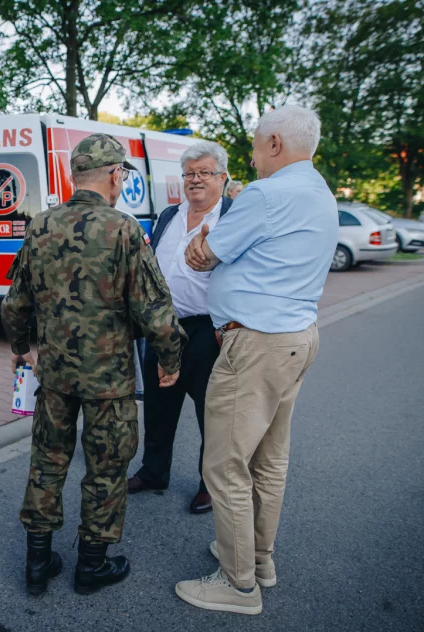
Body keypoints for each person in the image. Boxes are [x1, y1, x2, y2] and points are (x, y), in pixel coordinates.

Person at [2, 133, 186, 596]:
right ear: (114, 175)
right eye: (121, 174)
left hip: (55, 376)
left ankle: (37, 563)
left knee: (47, 462)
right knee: (106, 468)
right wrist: (170, 359)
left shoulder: (40, 225)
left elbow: (14, 303)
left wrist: (21, 347)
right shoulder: (123, 229)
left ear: (73, 175)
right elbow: (154, 310)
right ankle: (92, 565)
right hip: (109, 381)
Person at [175, 106, 337, 615]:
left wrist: (208, 241)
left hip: (255, 345)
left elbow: (202, 255)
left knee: (224, 465)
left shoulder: (265, 195)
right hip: (296, 337)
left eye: (253, 145)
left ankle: (238, 584)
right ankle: (258, 559)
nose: (251, 156)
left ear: (274, 144)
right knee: (269, 460)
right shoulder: (320, 191)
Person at [127, 141, 234, 515]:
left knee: (211, 413)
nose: (195, 180)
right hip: (162, 328)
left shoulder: (233, 217)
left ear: (223, 177)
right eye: (189, 173)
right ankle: (154, 472)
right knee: (158, 407)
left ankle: (210, 485)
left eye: (204, 172)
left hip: (209, 331)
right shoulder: (169, 215)